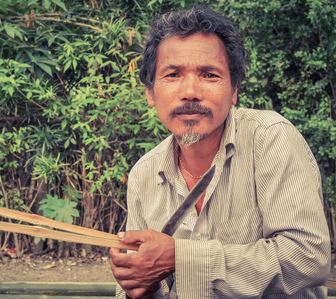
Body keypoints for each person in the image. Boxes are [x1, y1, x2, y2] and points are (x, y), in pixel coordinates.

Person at [109, 5, 331, 299]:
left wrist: (180, 258)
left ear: (234, 89)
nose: (190, 92)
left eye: (209, 75)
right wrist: (140, 284)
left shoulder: (269, 138)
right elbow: (143, 284)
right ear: (150, 92)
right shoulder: (144, 175)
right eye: (173, 74)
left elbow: (308, 258)